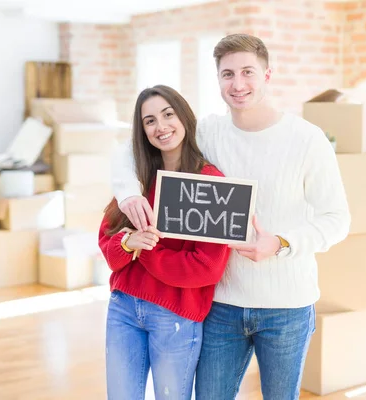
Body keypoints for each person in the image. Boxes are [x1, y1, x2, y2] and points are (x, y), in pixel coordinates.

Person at [111, 34, 351, 399]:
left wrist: (281, 243)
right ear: (218, 79)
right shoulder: (207, 132)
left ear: (268, 75)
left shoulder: (307, 139)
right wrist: (128, 192)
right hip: (222, 305)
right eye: (227, 75)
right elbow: (133, 149)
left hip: (286, 307)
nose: (238, 85)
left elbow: (337, 219)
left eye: (247, 72)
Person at [99, 84, 231, 400]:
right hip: (124, 309)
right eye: (150, 121)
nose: (161, 127)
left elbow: (208, 268)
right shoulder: (136, 177)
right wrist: (129, 243)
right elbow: (108, 243)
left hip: (176, 317)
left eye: (168, 115)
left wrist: (146, 253)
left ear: (183, 116)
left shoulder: (210, 181)